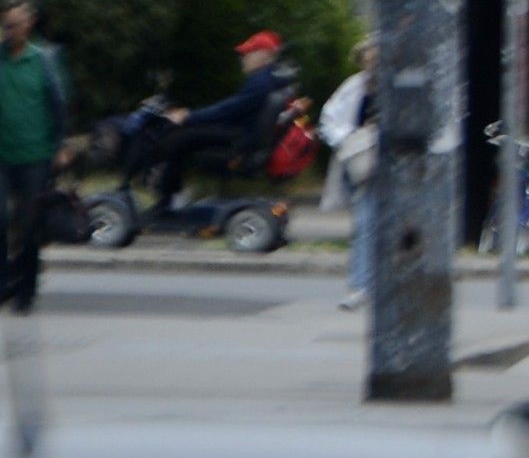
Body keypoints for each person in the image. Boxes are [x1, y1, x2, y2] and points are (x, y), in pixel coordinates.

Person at [0, 0, 69, 314]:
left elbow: (58, 106)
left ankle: (26, 291)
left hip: (35, 153)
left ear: (29, 25)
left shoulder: (43, 61)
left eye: (17, 25)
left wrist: (60, 146)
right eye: (6, 26)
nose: (11, 31)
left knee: (29, 224)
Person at [150, 31, 295, 217]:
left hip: (241, 141)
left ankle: (167, 202)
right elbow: (233, 109)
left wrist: (188, 116)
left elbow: (229, 109)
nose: (243, 59)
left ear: (264, 55)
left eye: (247, 54)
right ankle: (171, 197)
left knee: (179, 139)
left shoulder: (260, 82)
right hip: (246, 136)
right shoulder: (272, 80)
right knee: (187, 136)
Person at [320, 40, 379, 310]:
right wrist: (348, 141)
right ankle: (360, 285)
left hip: (397, 165)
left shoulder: (401, 86)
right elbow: (330, 120)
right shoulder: (354, 87)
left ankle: (375, 284)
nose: (372, 66)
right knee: (365, 225)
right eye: (367, 61)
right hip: (366, 163)